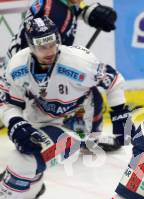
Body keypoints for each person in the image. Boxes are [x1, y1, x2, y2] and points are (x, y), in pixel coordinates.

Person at [0, 16, 133, 199]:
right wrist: (15, 121)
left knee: (23, 161)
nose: (49, 49)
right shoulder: (17, 66)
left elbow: (114, 80)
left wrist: (120, 116)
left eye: (52, 42)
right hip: (40, 119)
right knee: (25, 156)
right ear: (30, 45)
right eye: (42, 45)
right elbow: (8, 102)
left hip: (78, 124)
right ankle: (31, 191)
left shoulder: (80, 62)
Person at [0, 0, 116, 138]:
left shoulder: (55, 6)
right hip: (23, 80)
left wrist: (90, 11)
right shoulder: (54, 12)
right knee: (88, 91)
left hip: (17, 75)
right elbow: (43, 54)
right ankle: (85, 134)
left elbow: (73, 9)